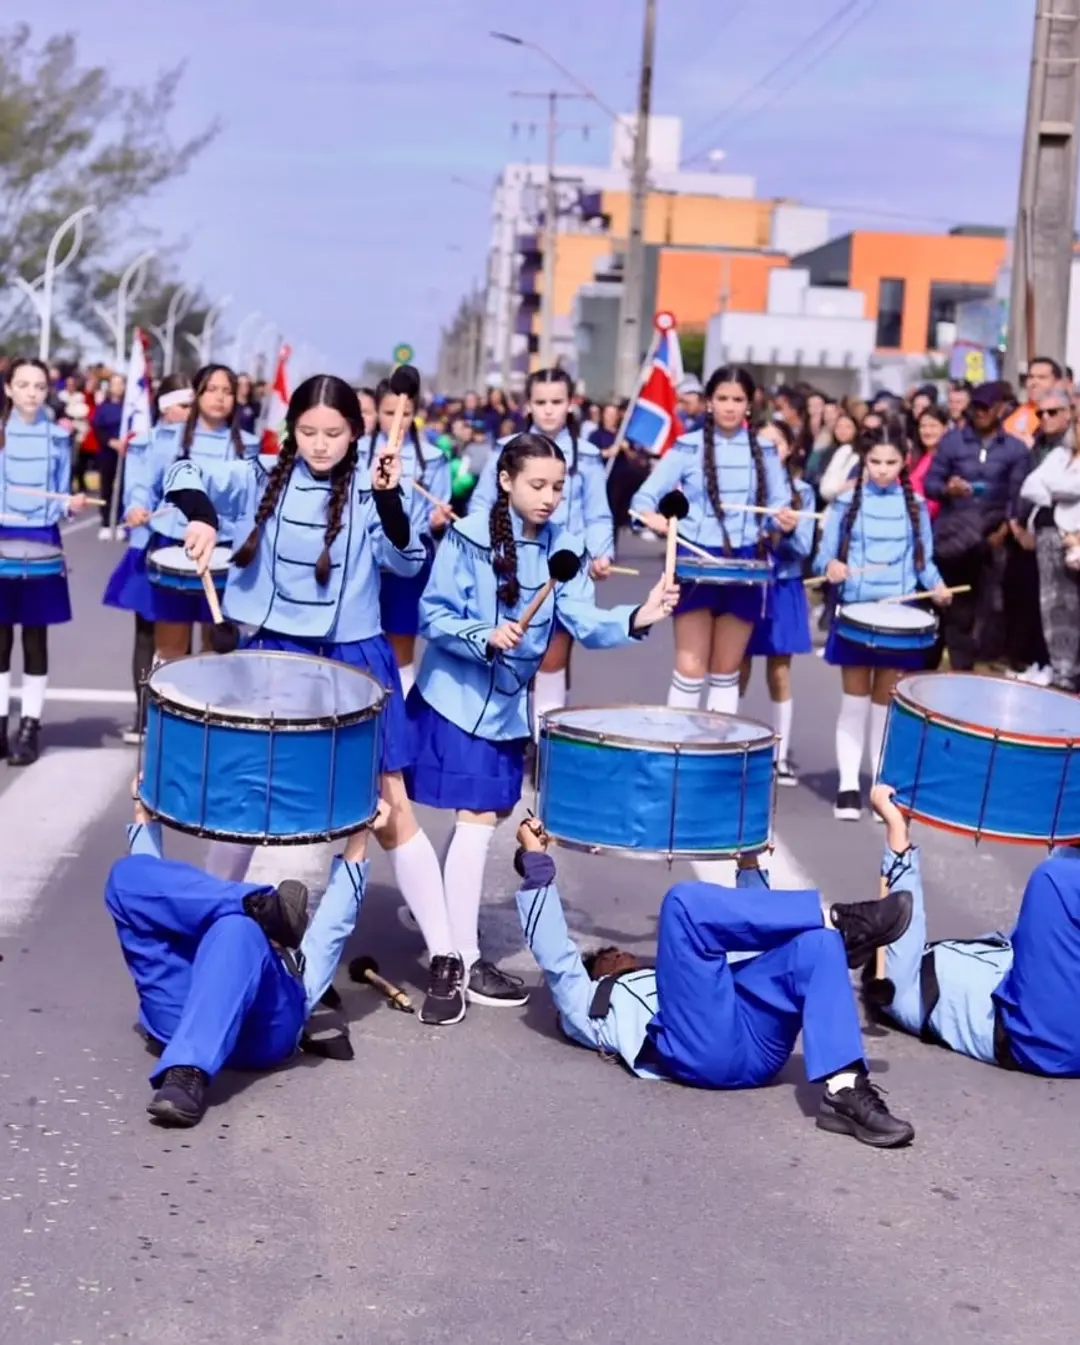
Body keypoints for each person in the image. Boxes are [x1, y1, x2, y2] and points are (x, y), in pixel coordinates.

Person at [167, 374, 467, 1028]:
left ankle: (448, 956)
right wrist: (199, 514)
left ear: (356, 433)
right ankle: (215, 926)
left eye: (334, 433)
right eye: (308, 432)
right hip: (274, 656)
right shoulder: (259, 475)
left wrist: (389, 498)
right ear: (290, 430)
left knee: (390, 807)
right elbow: (186, 467)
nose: (321, 444)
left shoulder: (373, 484)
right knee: (247, 795)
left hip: (352, 661)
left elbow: (407, 559)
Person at [406, 431, 677, 1013]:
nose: (550, 497)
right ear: (504, 482)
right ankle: (463, 957)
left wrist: (638, 616)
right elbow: (432, 613)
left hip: (506, 706)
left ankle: (451, 929)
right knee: (474, 819)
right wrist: (483, 634)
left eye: (558, 486)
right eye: (537, 485)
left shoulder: (566, 546)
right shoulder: (468, 536)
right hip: (454, 697)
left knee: (478, 820)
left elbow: (583, 621)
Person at [511, 817, 915, 1147]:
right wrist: (535, 861)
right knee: (682, 905)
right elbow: (556, 958)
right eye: (607, 957)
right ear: (598, 972)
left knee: (817, 947)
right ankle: (842, 921)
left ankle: (844, 1089)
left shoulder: (680, 976)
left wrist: (749, 866)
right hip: (698, 1052)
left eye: (619, 950)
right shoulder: (588, 1000)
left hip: (759, 1046)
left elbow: (744, 943)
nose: (619, 953)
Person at [108, 785, 389, 1127]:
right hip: (179, 1013)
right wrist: (144, 809)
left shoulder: (288, 959)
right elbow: (152, 887)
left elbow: (333, 925)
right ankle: (254, 904)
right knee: (127, 875)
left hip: (263, 1032)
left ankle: (186, 1073)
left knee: (237, 931)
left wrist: (361, 834)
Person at [865, 784, 1080, 1078]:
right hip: (1031, 1037)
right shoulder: (901, 990)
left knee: (1061, 873)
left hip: (1045, 1020)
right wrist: (895, 827)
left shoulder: (929, 975)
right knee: (1053, 878)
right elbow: (899, 912)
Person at [631, 365, 791, 715]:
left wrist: (783, 519)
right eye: (722, 398)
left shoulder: (764, 452)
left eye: (738, 399)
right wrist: (656, 519)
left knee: (725, 670)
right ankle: (680, 753)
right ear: (708, 402)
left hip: (745, 563)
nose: (730, 407)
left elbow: (780, 504)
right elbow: (642, 500)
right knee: (690, 668)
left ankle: (717, 759)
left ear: (750, 405)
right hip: (694, 561)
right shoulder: (687, 448)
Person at [815, 418, 950, 821]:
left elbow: (925, 562)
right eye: (875, 461)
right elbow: (823, 556)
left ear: (904, 461)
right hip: (856, 616)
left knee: (884, 705)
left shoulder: (915, 507)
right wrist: (832, 566)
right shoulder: (845, 503)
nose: (882, 469)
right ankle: (847, 787)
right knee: (854, 701)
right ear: (864, 460)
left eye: (891, 462)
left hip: (900, 617)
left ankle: (878, 786)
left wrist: (939, 588)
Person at [468, 369, 615, 740]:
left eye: (557, 402)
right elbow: (482, 503)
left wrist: (601, 552)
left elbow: (597, 514)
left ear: (571, 404)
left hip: (563, 571)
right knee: (510, 653)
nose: (549, 410)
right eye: (541, 402)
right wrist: (479, 545)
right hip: (511, 567)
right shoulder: (507, 448)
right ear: (528, 405)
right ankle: (502, 734)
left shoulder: (587, 454)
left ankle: (542, 744)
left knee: (551, 660)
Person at [0, 357, 88, 765]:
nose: (32, 393)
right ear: (9, 389)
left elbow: (62, 493)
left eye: (39, 386)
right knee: (0, 639)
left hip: (42, 539)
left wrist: (72, 504)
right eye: (23, 385)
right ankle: (0, 725)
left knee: (36, 638)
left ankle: (30, 726)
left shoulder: (58, 437)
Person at [144, 364, 260, 664]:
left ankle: (209, 707)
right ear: (195, 394)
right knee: (171, 643)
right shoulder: (169, 438)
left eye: (228, 391)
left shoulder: (248, 445)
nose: (220, 397)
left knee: (216, 646)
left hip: (223, 550)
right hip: (174, 544)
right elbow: (149, 484)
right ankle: (163, 706)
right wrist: (137, 507)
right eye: (211, 390)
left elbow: (250, 500)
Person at [103, 374, 195, 743]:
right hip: (155, 541)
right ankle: (143, 715)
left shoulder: (209, 443)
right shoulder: (146, 444)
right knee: (147, 631)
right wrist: (136, 508)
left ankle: (190, 711)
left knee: (198, 632)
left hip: (199, 544)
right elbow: (137, 486)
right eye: (184, 406)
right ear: (165, 407)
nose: (190, 413)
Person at [923, 381, 1030, 672]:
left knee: (980, 610)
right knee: (945, 604)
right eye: (976, 407)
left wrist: (1004, 531)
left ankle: (968, 670)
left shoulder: (1016, 449)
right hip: (953, 537)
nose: (980, 413)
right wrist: (948, 488)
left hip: (992, 538)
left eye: (986, 407)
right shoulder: (953, 442)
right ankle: (928, 668)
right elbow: (930, 484)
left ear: (1000, 409)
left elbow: (1017, 495)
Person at [739, 421, 815, 786]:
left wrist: (780, 533)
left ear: (789, 448)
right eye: (761, 443)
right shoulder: (743, 487)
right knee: (733, 666)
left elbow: (803, 547)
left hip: (783, 584)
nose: (769, 450)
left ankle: (780, 755)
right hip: (746, 581)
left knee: (780, 670)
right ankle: (726, 744)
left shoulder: (802, 492)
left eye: (776, 443)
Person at [368, 375, 453, 696]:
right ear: (377, 413)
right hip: (365, 560)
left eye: (405, 413)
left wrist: (437, 522)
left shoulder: (432, 458)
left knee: (401, 644)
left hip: (410, 561)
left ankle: (403, 720)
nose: (397, 420)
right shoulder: (358, 453)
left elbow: (438, 521)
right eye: (389, 412)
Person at [1020, 408, 1080, 691]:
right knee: (1054, 608)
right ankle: (1062, 673)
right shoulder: (1059, 455)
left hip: (1074, 541)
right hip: (1049, 540)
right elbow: (1030, 487)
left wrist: (1054, 490)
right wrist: (1061, 491)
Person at [90, 372, 126, 539]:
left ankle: (120, 522)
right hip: (107, 452)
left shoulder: (129, 407)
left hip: (127, 451)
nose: (118, 387)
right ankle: (105, 523)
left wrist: (125, 443)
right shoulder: (103, 407)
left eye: (121, 383)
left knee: (124, 488)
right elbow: (97, 428)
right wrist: (111, 442)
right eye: (115, 384)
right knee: (106, 487)